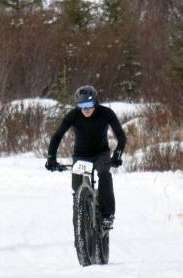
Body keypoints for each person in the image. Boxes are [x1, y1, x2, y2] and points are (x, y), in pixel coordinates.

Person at [45, 84, 126, 228]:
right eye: (82, 106)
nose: (86, 109)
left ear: (95, 102)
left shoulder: (106, 113)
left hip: (101, 154)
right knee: (77, 188)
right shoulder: (73, 115)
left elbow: (121, 136)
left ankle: (107, 215)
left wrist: (117, 154)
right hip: (81, 156)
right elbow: (57, 136)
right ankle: (80, 218)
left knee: (104, 174)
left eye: (89, 104)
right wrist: (51, 158)